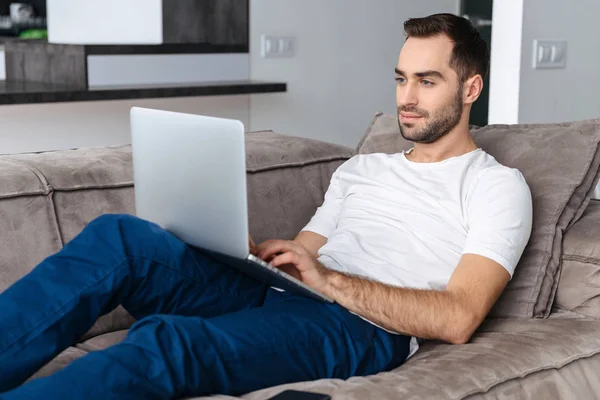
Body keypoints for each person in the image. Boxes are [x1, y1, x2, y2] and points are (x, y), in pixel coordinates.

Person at [0, 13, 532, 400]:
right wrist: (250, 253)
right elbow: (305, 253)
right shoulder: (362, 169)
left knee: (169, 344)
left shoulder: (496, 186)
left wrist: (329, 282)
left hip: (361, 328)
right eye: (400, 78)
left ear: (471, 89)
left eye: (427, 80)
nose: (407, 97)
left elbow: (461, 316)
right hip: (283, 293)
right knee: (123, 240)